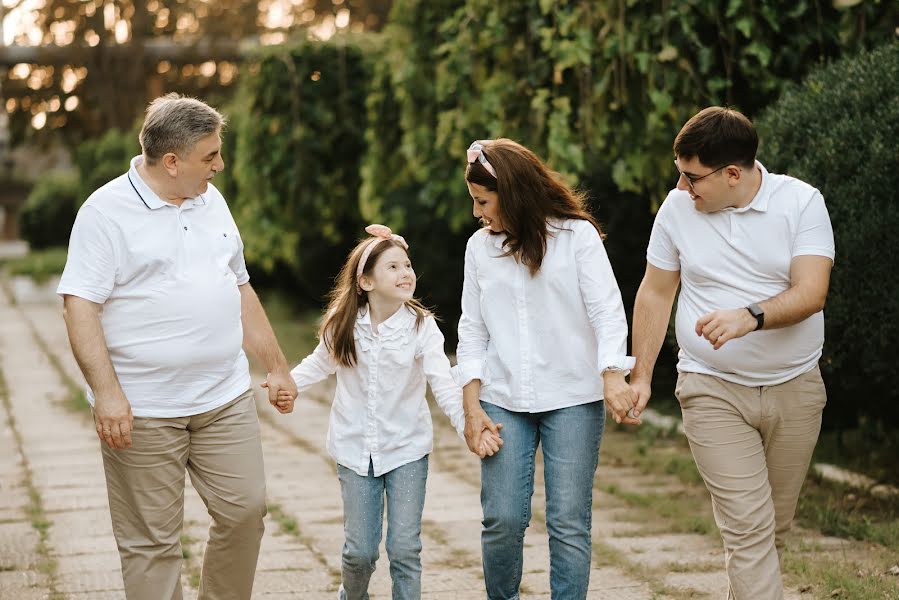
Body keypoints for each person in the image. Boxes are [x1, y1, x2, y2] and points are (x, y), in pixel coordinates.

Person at [58, 93, 298, 600]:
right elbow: (79, 305)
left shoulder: (210, 200)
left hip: (223, 398)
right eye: (210, 157)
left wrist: (275, 365)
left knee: (246, 510)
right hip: (143, 410)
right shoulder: (105, 212)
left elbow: (239, 286)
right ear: (172, 162)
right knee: (151, 545)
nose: (220, 165)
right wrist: (107, 394)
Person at [629, 106, 834, 599]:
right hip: (710, 387)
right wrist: (640, 376)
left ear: (733, 174)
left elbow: (812, 292)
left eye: (692, 176)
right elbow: (656, 293)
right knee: (748, 530)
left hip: (795, 386)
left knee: (772, 527)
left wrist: (750, 316)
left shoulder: (802, 204)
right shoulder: (677, 210)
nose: (681, 188)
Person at [269, 224, 500, 600]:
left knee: (405, 549)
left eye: (407, 265)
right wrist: (289, 388)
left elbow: (442, 383)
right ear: (366, 281)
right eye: (392, 267)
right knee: (360, 552)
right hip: (353, 448)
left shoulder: (422, 327)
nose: (405, 273)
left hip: (407, 448)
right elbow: (318, 364)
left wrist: (468, 428)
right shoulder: (342, 325)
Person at [454, 138, 636, 599]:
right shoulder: (479, 249)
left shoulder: (577, 238)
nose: (477, 213)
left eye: (482, 201)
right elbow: (472, 331)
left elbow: (607, 312)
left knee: (569, 520)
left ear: (511, 193)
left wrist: (613, 372)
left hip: (574, 397)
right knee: (502, 518)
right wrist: (471, 407)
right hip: (502, 396)